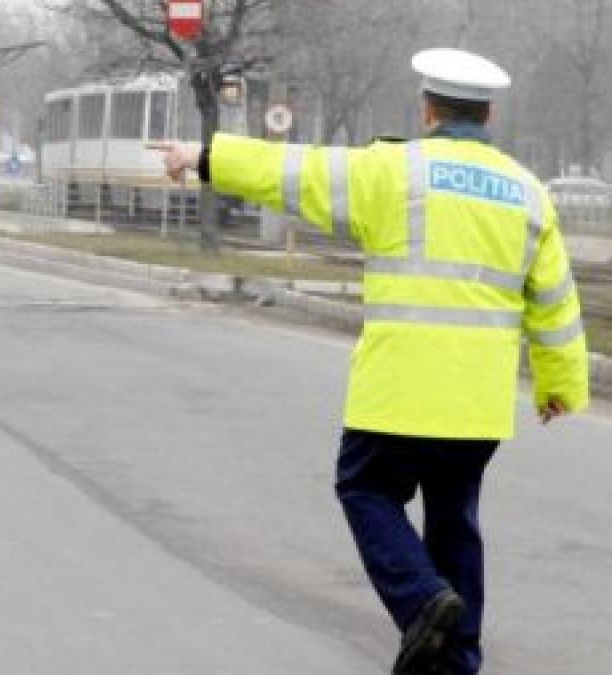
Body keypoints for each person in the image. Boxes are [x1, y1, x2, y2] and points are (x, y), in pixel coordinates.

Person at [151, 48, 589, 674]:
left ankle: (422, 603)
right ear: (488, 113)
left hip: (397, 394)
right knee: (454, 523)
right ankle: (457, 656)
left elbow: (292, 171)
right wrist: (560, 385)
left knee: (366, 489)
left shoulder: (393, 171)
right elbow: (554, 301)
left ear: (428, 108)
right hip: (477, 405)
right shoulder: (527, 193)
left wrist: (203, 157)